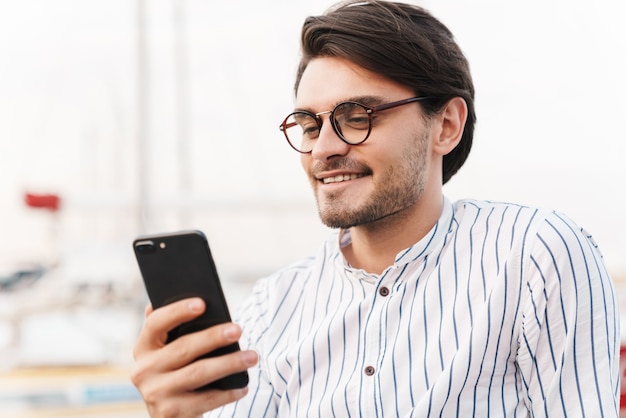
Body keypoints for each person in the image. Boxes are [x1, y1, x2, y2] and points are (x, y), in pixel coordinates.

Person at [130, 1, 620, 416]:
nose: (322, 148)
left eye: (356, 116)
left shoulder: (533, 254)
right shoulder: (271, 306)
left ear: (446, 125)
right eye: (308, 124)